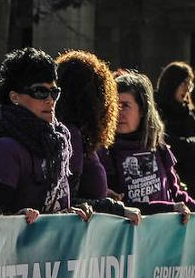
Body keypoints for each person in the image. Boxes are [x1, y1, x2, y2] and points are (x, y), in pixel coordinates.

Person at [0, 48, 89, 223]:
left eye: (54, 92)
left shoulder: (58, 141)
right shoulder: (4, 148)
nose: (50, 100)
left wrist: (69, 213)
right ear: (14, 97)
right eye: (40, 92)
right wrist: (16, 218)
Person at [101, 71, 195, 219]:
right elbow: (119, 206)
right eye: (115, 106)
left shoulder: (158, 146)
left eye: (125, 105)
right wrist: (168, 208)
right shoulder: (104, 152)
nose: (118, 112)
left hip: (163, 236)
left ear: (142, 110)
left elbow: (176, 194)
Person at [54, 50, 141, 224]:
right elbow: (65, 201)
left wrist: (102, 193)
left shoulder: (76, 134)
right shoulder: (71, 136)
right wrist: (115, 208)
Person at [155, 61, 195, 197]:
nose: (187, 89)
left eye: (189, 84)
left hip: (191, 185)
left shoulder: (185, 112)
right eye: (184, 83)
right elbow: (166, 145)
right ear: (172, 83)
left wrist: (186, 146)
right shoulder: (157, 110)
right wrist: (190, 146)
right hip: (166, 183)